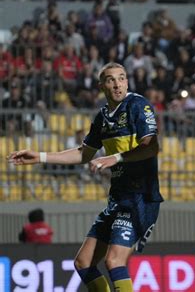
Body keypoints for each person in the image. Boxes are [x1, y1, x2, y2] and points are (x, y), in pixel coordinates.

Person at [8, 62, 163, 292]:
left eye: (122, 78)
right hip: (118, 199)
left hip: (141, 197)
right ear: (102, 86)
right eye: (111, 79)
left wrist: (116, 158)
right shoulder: (102, 118)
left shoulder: (137, 105)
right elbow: (83, 154)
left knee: (113, 261)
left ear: (127, 81)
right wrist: (40, 156)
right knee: (83, 263)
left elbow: (151, 148)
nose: (118, 84)